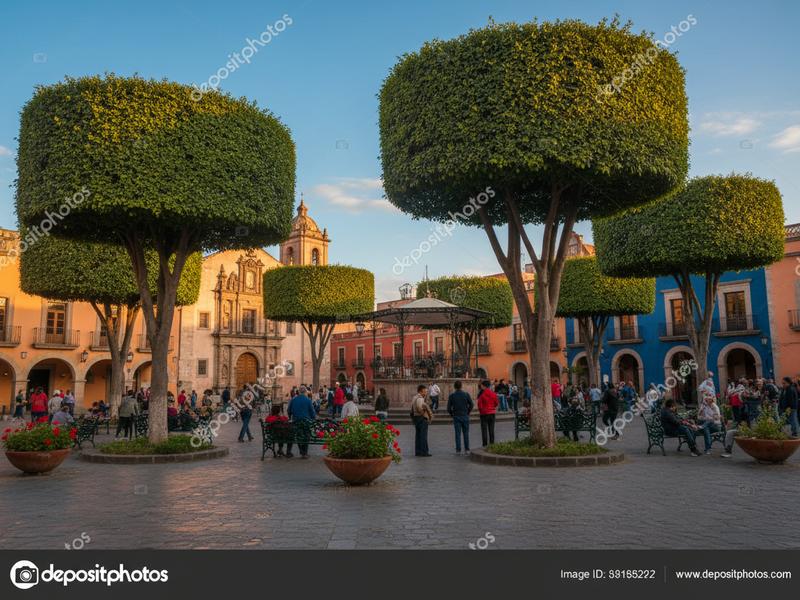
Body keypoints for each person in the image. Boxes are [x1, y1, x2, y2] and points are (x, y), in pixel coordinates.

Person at [287, 386, 316, 458]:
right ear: (305, 392)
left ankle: (301, 451)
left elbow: (289, 410)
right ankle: (304, 452)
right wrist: (313, 418)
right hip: (306, 422)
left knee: (298, 435)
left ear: (299, 392)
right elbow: (312, 412)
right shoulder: (308, 400)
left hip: (296, 421)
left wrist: (290, 417)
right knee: (306, 435)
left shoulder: (293, 400)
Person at [447, 380, 473, 455]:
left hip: (456, 416)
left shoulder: (452, 396)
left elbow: (448, 408)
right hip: (465, 416)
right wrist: (468, 412)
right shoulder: (466, 394)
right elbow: (471, 405)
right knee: (466, 433)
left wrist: (452, 414)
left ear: (454, 387)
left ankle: (458, 450)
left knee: (457, 434)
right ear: (461, 386)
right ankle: (467, 449)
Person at [411, 385, 433, 456]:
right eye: (424, 391)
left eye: (426, 391)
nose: (425, 393)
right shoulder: (420, 398)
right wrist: (424, 412)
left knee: (418, 436)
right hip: (421, 418)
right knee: (423, 436)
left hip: (416, 418)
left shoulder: (414, 397)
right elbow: (420, 408)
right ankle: (424, 452)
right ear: (420, 391)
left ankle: (418, 451)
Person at [477, 379, 499, 446]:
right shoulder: (493, 393)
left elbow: (479, 405)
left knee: (484, 430)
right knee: (491, 429)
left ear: (484, 386)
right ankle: (492, 443)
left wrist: (482, 411)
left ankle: (485, 444)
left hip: (484, 414)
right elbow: (496, 403)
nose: (481, 387)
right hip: (492, 413)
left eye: (481, 386)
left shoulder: (482, 394)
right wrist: (492, 407)